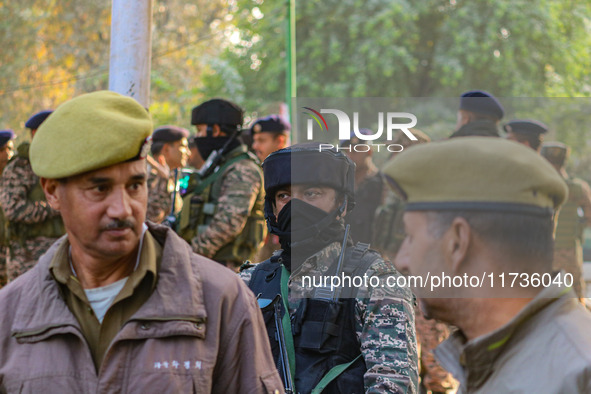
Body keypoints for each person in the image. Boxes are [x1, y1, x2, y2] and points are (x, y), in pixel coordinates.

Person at [0, 90, 283, 393]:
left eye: (135, 185)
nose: (123, 209)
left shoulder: (222, 300)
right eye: (99, 189)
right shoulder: (11, 313)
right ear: (52, 192)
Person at [384, 136, 591, 393]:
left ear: (458, 243)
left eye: (411, 238)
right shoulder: (502, 354)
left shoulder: (573, 372)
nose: (401, 260)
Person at [240, 143, 419, 393]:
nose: (295, 205)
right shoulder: (248, 282)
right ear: (272, 207)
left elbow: (394, 383)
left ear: (342, 204)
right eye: (284, 196)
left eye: (311, 193)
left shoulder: (375, 281)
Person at [177, 98, 265, 271]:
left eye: (200, 131)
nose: (198, 137)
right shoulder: (221, 166)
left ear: (215, 130)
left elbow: (228, 224)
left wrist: (188, 256)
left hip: (227, 270)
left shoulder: (242, 169)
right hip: (209, 265)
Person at [0, 110, 64, 282]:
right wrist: (55, 207)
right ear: (37, 133)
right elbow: (13, 210)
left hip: (61, 251)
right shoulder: (21, 167)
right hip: (27, 258)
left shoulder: (63, 162)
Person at [541, 141, 591, 298]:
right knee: (575, 299)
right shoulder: (577, 188)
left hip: (540, 253)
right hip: (569, 252)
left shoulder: (535, 185)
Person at [249, 115, 290, 263]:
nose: (255, 146)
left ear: (280, 140)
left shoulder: (298, 172)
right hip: (263, 252)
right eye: (255, 140)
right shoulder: (261, 171)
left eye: (262, 140)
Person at [146, 125, 190, 223]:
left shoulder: (167, 178)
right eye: (183, 146)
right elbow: (153, 221)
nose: (188, 152)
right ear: (166, 149)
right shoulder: (154, 180)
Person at [0, 129, 15, 288]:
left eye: (9, 149)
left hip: (10, 247)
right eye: (2, 150)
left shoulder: (15, 177)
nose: (8, 154)